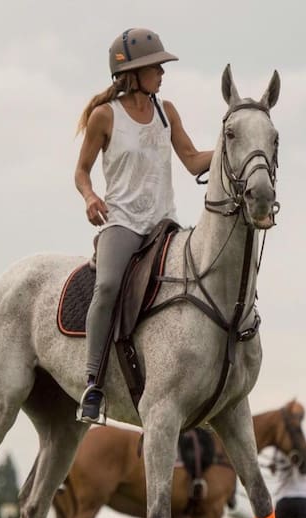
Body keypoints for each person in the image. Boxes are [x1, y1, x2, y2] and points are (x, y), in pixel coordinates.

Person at [74, 28, 213, 423]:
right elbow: (81, 172)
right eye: (156, 67)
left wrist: (233, 149)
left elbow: (190, 160)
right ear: (133, 72)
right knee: (107, 286)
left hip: (164, 223)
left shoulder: (167, 112)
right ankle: (93, 385)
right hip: (123, 222)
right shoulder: (105, 116)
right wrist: (89, 197)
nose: (162, 73)